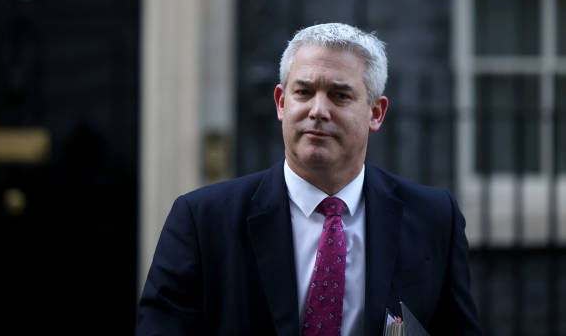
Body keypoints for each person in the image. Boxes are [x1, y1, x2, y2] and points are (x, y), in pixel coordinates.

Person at [136, 23, 481, 335]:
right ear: (281, 102)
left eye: (339, 95)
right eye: (303, 92)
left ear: (376, 113)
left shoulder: (434, 218)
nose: (318, 110)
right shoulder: (202, 220)